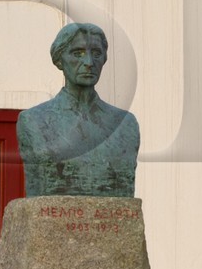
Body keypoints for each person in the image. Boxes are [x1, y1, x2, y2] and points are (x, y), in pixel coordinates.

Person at [16, 23, 140, 197]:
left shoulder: (125, 124)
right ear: (59, 60)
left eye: (96, 54)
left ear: (104, 59)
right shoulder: (34, 120)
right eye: (78, 54)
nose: (89, 63)